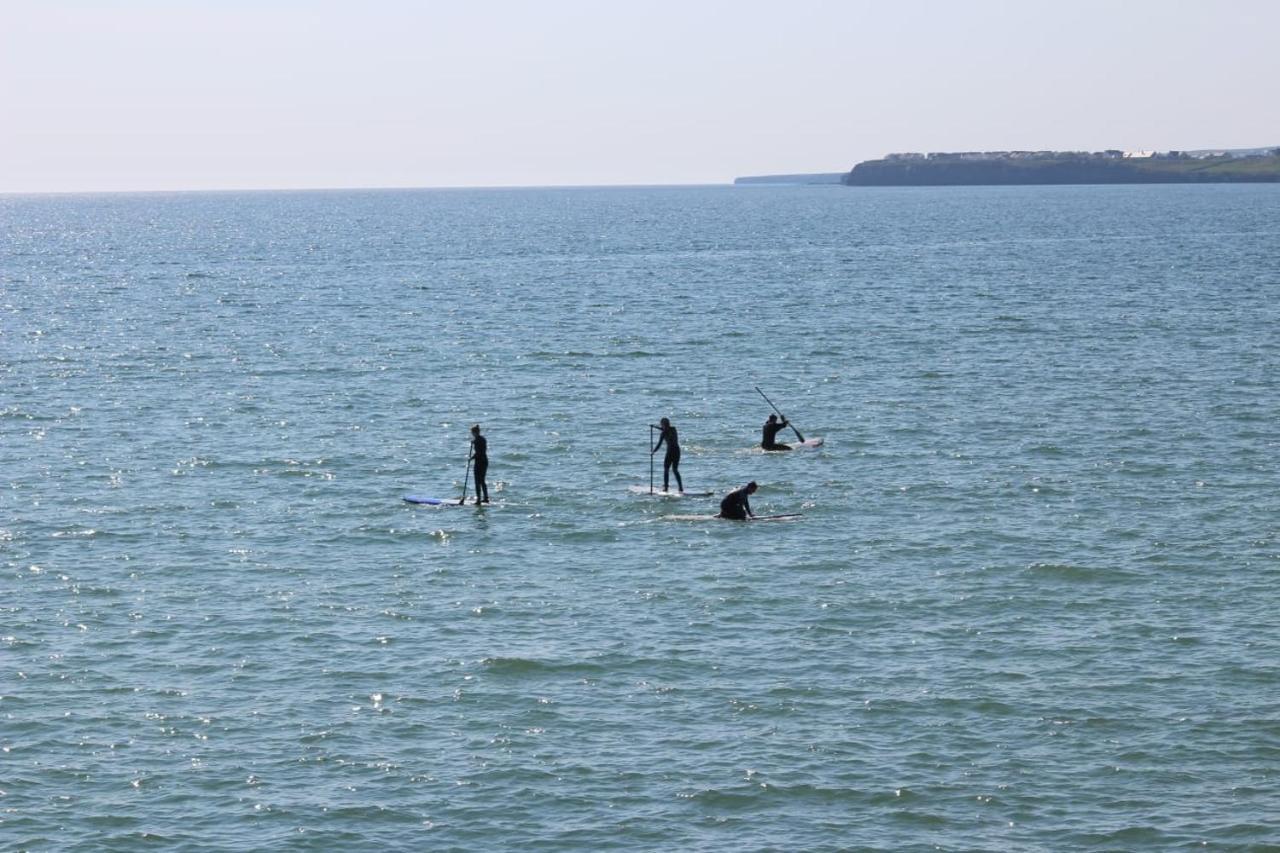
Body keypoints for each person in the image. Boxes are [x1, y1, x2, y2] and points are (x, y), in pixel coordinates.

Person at [651, 417, 684, 493]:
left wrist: (653, 452)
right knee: (675, 469)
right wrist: (655, 427)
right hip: (677, 451)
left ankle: (666, 488)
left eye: (661, 424)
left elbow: (659, 444)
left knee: (666, 469)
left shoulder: (663, 434)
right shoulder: (673, 429)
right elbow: (665, 429)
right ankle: (680, 487)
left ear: (663, 425)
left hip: (670, 452)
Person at [469, 424, 489, 504]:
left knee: (477, 481)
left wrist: (471, 458)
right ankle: (486, 498)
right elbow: (482, 449)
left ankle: (478, 500)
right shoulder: (482, 439)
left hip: (479, 462)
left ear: (474, 432)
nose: (471, 434)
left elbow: (478, 453)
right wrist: (474, 442)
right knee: (482, 481)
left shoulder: (477, 441)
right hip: (485, 461)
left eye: (472, 432)